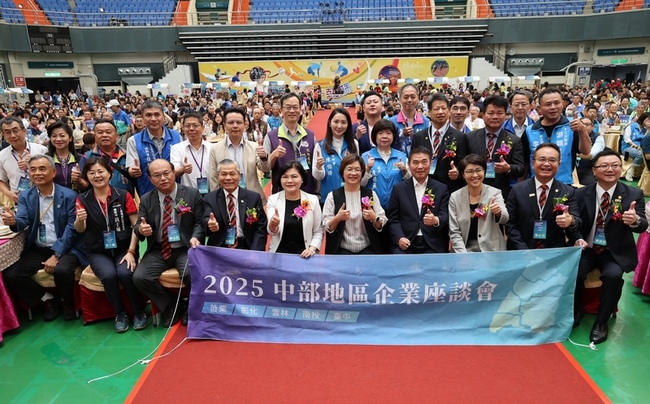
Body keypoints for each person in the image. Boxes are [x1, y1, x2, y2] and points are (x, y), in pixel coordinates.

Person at [1, 154, 87, 321]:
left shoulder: (69, 195)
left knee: (62, 270)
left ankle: (68, 303)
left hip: (66, 247)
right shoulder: (26, 196)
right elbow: (23, 219)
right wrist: (14, 221)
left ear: (53, 173)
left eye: (42, 169)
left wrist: (57, 255)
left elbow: (71, 229)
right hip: (39, 248)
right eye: (33, 170)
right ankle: (47, 299)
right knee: (12, 275)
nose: (37, 173)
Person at [574, 149, 647, 344]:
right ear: (594, 170)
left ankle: (601, 322)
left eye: (615, 165)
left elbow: (642, 225)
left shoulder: (633, 194)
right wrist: (578, 238)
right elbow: (576, 222)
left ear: (621, 168)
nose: (610, 169)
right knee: (575, 273)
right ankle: (576, 311)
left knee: (613, 276)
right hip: (587, 248)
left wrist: (635, 220)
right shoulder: (581, 193)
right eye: (604, 166)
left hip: (613, 251)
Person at [74, 157, 147, 333]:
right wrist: (80, 220)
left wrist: (131, 251)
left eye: (101, 171)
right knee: (108, 275)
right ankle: (120, 313)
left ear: (109, 173)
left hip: (124, 248)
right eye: (92, 173)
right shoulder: (82, 199)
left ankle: (138, 311)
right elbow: (80, 229)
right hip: (98, 251)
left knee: (125, 273)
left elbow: (136, 226)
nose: (97, 176)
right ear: (86, 176)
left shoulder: (123, 195)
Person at [133, 159, 204, 328]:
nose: (163, 178)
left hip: (184, 247)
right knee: (140, 277)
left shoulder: (191, 194)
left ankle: (191, 307)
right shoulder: (147, 199)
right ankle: (172, 305)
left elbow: (199, 223)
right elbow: (138, 225)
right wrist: (141, 230)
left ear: (174, 173)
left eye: (166, 173)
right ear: (150, 179)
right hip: (158, 249)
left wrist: (196, 237)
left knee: (192, 273)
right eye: (157, 175)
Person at [505, 143, 582, 250]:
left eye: (552, 160)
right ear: (533, 163)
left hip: (553, 251)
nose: (546, 164)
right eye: (542, 159)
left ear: (559, 165)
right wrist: (523, 250)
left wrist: (571, 220)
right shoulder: (517, 190)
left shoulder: (568, 191)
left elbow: (577, 221)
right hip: (521, 249)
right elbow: (510, 224)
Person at [521, 87, 592, 185]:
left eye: (557, 103)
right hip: (536, 183)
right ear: (539, 108)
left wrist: (582, 130)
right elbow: (524, 162)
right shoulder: (530, 131)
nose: (553, 107)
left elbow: (586, 151)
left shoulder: (572, 127)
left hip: (564, 183)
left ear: (562, 104)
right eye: (548, 104)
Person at [386, 146, 449, 254]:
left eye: (424, 162)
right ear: (409, 164)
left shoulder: (441, 188)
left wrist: (436, 220)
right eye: (415, 162)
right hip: (406, 241)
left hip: (432, 244)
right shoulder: (399, 189)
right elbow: (393, 219)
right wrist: (400, 238)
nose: (420, 166)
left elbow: (445, 215)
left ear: (431, 163)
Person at [322, 154, 387, 254]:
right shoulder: (333, 196)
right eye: (349, 169)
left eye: (357, 170)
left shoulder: (370, 194)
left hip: (367, 248)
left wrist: (374, 217)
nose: (353, 173)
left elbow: (381, 224)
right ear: (342, 172)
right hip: (341, 249)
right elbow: (327, 227)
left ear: (362, 173)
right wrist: (337, 218)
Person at [465, 95, 525, 200]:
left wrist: (508, 168)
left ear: (506, 115)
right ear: (483, 115)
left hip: (501, 193)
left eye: (500, 113)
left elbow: (520, 168)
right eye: (491, 113)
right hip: (473, 191)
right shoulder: (470, 137)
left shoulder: (514, 140)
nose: (495, 117)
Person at [208, 108, 270, 204]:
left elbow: (265, 169)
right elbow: (213, 178)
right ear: (224, 125)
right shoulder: (215, 149)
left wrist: (264, 158)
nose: (235, 126)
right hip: (227, 199)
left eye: (239, 122)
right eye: (231, 122)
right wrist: (217, 201)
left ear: (245, 125)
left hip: (252, 196)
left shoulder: (254, 147)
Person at [203, 159, 267, 250]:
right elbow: (205, 219)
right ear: (218, 176)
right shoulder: (210, 198)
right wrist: (209, 224)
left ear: (239, 176)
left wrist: (255, 253)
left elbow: (260, 228)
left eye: (232, 174)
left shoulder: (253, 198)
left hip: (246, 246)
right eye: (224, 174)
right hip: (220, 247)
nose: (228, 178)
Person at [448, 154, 508, 252]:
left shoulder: (495, 193)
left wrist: (498, 213)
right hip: (465, 249)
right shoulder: (455, 197)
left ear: (484, 171)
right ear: (463, 174)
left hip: (492, 250)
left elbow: (505, 218)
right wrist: (463, 256)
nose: (475, 175)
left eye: (479, 170)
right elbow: (454, 232)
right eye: (470, 171)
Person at [412, 93, 467, 193]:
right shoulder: (418, 137)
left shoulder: (459, 137)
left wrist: (458, 173)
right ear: (429, 112)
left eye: (444, 108)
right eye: (436, 109)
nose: (440, 112)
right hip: (423, 188)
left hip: (449, 188)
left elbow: (464, 164)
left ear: (448, 110)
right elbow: (413, 162)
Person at [266, 161, 323, 257]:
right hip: (279, 254)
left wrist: (311, 249)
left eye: (294, 176)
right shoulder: (273, 199)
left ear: (302, 179)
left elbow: (318, 230)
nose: (289, 180)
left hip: (305, 255)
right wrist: (273, 224)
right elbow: (272, 231)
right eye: (285, 177)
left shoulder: (312, 200)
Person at [264, 93, 317, 194]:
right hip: (282, 193)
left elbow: (316, 167)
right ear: (281, 111)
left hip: (307, 193)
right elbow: (265, 168)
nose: (292, 111)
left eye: (295, 107)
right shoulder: (271, 137)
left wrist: (317, 192)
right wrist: (273, 155)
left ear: (300, 110)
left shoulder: (310, 135)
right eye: (288, 107)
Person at [127, 100, 182, 196]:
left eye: (157, 115)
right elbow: (131, 168)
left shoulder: (177, 137)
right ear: (143, 118)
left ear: (163, 117)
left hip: (176, 193)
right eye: (148, 115)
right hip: (149, 193)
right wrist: (132, 171)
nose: (153, 119)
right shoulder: (133, 141)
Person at [313, 108, 359, 205]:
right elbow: (318, 177)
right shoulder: (320, 146)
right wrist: (319, 167)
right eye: (336, 122)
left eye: (343, 122)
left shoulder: (354, 144)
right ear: (330, 123)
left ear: (348, 125)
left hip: (350, 197)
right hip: (328, 198)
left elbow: (358, 171)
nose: (339, 126)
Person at [360, 119, 409, 209]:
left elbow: (411, 182)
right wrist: (368, 169)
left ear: (394, 136)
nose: (384, 136)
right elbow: (360, 184)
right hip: (372, 207)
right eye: (380, 133)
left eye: (388, 133)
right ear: (374, 136)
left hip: (397, 206)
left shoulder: (402, 157)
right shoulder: (365, 157)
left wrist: (405, 170)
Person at [78, 119, 134, 196]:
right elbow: (84, 185)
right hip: (97, 201)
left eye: (108, 132)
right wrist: (77, 180)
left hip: (126, 200)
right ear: (95, 137)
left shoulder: (128, 156)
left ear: (117, 136)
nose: (104, 135)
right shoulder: (87, 157)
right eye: (100, 132)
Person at [0, 116, 48, 204]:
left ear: (24, 131)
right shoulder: (2, 156)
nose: (12, 135)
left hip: (44, 197)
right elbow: (1, 180)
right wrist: (9, 194)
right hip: (18, 200)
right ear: (3, 134)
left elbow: (52, 173)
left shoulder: (42, 150)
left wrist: (33, 165)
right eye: (8, 132)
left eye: (15, 131)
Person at [170, 111, 213, 194]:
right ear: (183, 128)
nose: (191, 129)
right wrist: (183, 169)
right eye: (187, 126)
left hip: (211, 194)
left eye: (195, 125)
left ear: (203, 127)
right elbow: (173, 172)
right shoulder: (177, 148)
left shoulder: (212, 148)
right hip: (188, 195)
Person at [389, 84, 430, 156]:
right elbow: (388, 145)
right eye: (406, 97)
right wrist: (402, 136)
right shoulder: (391, 122)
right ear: (400, 99)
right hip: (398, 161)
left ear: (418, 99)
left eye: (413, 97)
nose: (409, 100)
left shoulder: (426, 122)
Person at [46, 120, 83, 191]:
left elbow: (87, 186)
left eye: (62, 136)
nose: (58, 139)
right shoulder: (46, 160)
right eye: (54, 136)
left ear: (70, 138)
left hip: (76, 196)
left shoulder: (80, 159)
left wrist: (78, 180)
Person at [576, 117, 606, 186]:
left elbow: (591, 155)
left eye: (587, 124)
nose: (584, 126)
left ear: (592, 127)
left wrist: (576, 155)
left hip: (588, 168)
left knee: (590, 186)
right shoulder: (573, 135)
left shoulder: (598, 138)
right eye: (582, 124)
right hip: (571, 169)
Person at [620, 111, 646, 182]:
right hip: (628, 148)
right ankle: (631, 171)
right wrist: (636, 146)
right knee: (640, 154)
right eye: (648, 120)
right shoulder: (631, 127)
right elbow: (627, 140)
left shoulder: (645, 129)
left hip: (641, 148)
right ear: (643, 120)